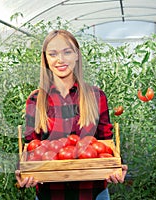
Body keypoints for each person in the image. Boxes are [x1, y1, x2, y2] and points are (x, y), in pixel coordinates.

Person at [15, 29, 128, 200]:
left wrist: (114, 167)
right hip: (50, 195)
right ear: (46, 59)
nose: (60, 60)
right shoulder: (36, 100)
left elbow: (106, 145)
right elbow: (32, 148)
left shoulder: (96, 96)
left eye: (67, 52)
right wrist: (25, 173)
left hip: (92, 193)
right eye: (53, 54)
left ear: (77, 55)